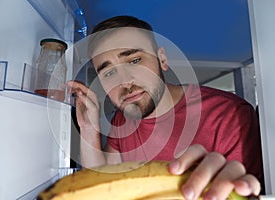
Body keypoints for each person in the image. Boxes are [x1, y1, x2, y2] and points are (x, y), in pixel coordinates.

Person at [68, 15, 263, 199]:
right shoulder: (123, 119)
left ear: (162, 59)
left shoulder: (231, 115)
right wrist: (88, 129)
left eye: (135, 60)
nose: (125, 82)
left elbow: (246, 190)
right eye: (109, 73)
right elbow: (103, 180)